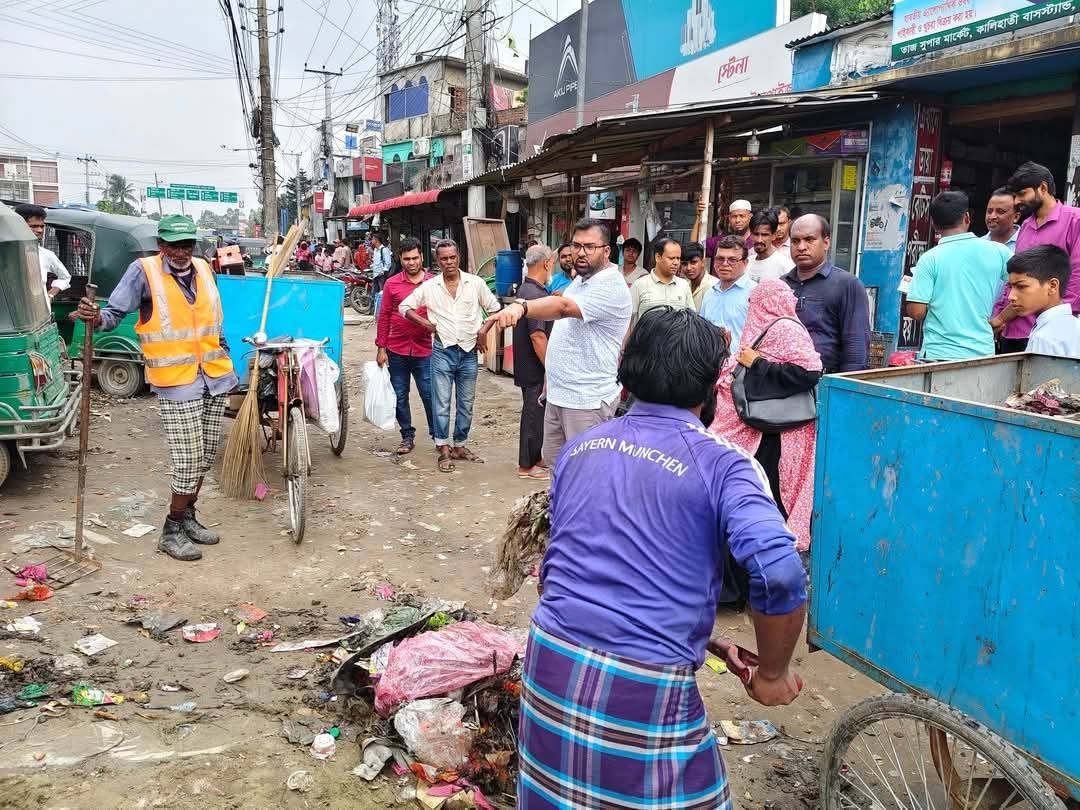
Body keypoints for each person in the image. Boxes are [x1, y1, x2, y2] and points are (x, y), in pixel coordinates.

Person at [517, 306, 806, 809]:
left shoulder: (581, 449)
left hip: (550, 662)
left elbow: (572, 572)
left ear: (626, 368)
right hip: (643, 686)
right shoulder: (724, 464)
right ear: (713, 383)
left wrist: (705, 638)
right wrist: (774, 673)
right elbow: (778, 571)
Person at [74, 215, 238, 562]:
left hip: (214, 373)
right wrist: (95, 317)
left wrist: (224, 351)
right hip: (176, 380)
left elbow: (212, 320)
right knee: (188, 459)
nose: (180, 251)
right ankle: (171, 529)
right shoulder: (143, 271)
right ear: (161, 245)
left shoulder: (205, 269)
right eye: (173, 245)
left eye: (186, 244)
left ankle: (189, 516)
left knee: (206, 457)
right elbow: (113, 315)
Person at [478, 218, 632, 464]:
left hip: (586, 401)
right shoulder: (581, 281)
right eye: (576, 245)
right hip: (560, 394)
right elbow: (562, 310)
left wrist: (521, 307)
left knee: (583, 473)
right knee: (556, 466)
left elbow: (562, 308)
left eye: (589, 247)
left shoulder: (611, 286)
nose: (580, 253)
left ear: (606, 251)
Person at [710, 280, 823, 551]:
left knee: (771, 489)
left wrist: (758, 364)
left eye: (755, 302)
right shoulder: (768, 326)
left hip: (781, 430)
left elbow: (808, 372)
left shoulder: (785, 329)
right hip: (765, 426)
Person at [400, 239, 500, 472]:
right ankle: (443, 448)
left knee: (466, 403)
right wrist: (426, 324)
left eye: (452, 257)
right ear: (437, 261)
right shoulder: (430, 286)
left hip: (468, 352)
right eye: (444, 259)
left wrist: (484, 331)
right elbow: (404, 307)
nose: (449, 262)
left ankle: (460, 446)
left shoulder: (474, 283)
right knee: (442, 403)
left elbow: (495, 309)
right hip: (442, 351)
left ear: (459, 257)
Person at [905, 190, 1010, 361]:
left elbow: (916, 312)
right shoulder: (999, 251)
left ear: (934, 225)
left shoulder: (930, 259)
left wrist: (915, 291)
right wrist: (1002, 318)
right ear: (967, 218)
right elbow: (1026, 286)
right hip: (982, 353)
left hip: (939, 355)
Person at [990, 161, 1080, 353]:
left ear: (1043, 188)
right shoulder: (1026, 226)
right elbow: (1014, 277)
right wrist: (1000, 315)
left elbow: (1076, 276)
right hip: (1015, 331)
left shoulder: (1074, 220)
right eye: (1015, 196)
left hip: (1052, 332)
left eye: (1022, 194)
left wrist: (1061, 322)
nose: (1016, 202)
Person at [783, 214, 870, 373]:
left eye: (809, 240)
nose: (801, 247)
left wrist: (844, 390)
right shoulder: (781, 285)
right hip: (783, 382)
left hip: (825, 383)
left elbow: (856, 349)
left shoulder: (847, 284)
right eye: (795, 241)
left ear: (826, 242)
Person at [376, 237, 435, 456]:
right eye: (407, 258)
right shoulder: (392, 284)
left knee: (430, 395)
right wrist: (381, 348)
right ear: (401, 259)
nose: (412, 262)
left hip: (426, 350)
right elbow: (384, 317)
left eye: (415, 258)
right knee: (400, 396)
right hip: (397, 350)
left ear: (421, 257)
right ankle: (407, 436)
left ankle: (437, 436)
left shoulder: (433, 282)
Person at [514, 245, 555, 480]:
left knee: (537, 413)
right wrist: (552, 369)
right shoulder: (536, 295)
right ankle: (526, 465)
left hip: (528, 364)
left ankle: (537, 458)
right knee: (533, 413)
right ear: (547, 264)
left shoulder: (528, 289)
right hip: (535, 366)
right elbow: (537, 336)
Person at [1007, 245, 1080, 358]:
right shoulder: (1075, 325)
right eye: (1010, 287)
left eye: (1021, 287)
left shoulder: (1044, 338)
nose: (1011, 296)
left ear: (1052, 286)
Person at [699, 235, 757, 349]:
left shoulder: (755, 293)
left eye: (732, 260)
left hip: (740, 364)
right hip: (710, 363)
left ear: (745, 263)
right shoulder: (710, 294)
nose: (725, 264)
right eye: (720, 259)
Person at [629, 237, 694, 329]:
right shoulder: (640, 285)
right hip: (647, 342)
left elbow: (692, 319)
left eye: (678, 258)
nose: (676, 262)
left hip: (676, 342)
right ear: (658, 257)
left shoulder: (684, 285)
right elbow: (628, 321)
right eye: (671, 258)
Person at [14, 203, 71, 299]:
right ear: (19, 225)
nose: (40, 230)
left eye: (42, 226)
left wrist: (50, 295)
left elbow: (65, 277)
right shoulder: (5, 252)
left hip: (38, 309)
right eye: (34, 226)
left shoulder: (46, 254)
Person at [747, 208, 795, 283]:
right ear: (750, 234)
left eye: (764, 235)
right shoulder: (747, 262)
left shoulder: (785, 266)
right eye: (756, 234)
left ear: (774, 235)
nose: (759, 240)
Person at [683, 243, 717, 311]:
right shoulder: (684, 284)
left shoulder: (714, 286)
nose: (689, 268)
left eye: (693, 262)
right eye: (684, 264)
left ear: (703, 262)